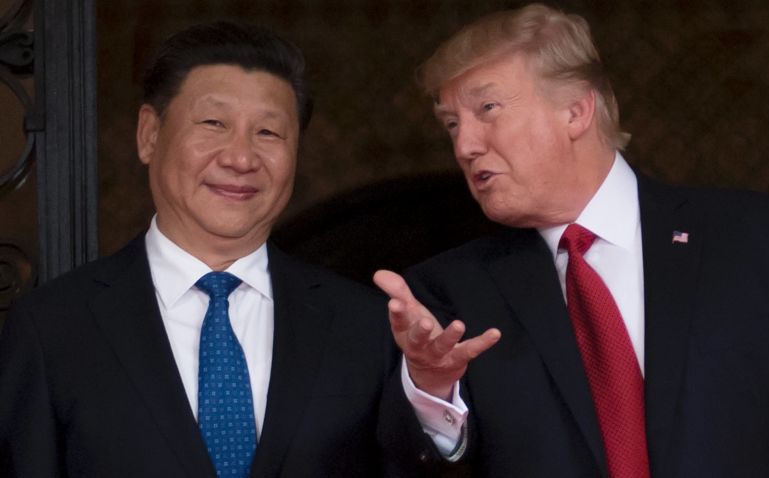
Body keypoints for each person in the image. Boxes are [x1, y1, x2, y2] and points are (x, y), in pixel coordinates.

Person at [373, 3, 769, 477]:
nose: (464, 145)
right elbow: (409, 466)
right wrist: (431, 390)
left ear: (577, 111)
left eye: (488, 109)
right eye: (452, 124)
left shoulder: (761, 242)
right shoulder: (448, 294)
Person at [0, 21, 440, 478]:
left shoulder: (363, 326)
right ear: (149, 134)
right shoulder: (52, 329)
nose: (241, 158)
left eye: (268, 132)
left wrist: (432, 398)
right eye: (214, 123)